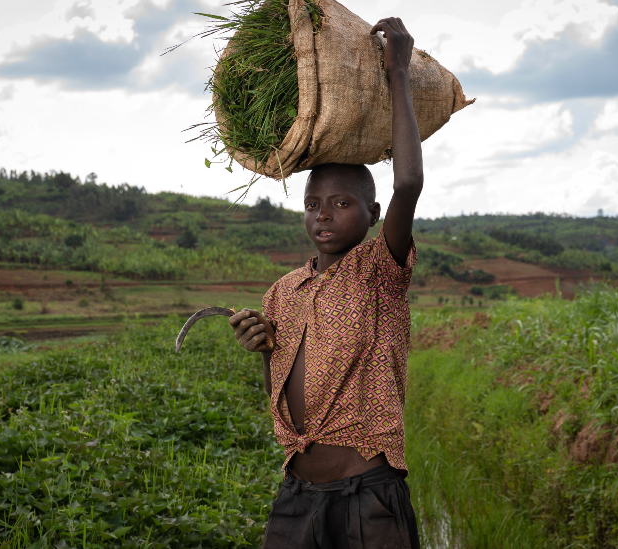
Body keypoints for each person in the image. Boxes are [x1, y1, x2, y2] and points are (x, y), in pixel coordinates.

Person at [229, 17, 423, 549]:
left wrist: (399, 72)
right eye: (313, 204)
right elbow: (281, 385)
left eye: (341, 203)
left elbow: (408, 181)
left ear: (372, 212)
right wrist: (260, 346)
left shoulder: (379, 270)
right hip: (297, 496)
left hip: (368, 497)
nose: (324, 216)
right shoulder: (283, 290)